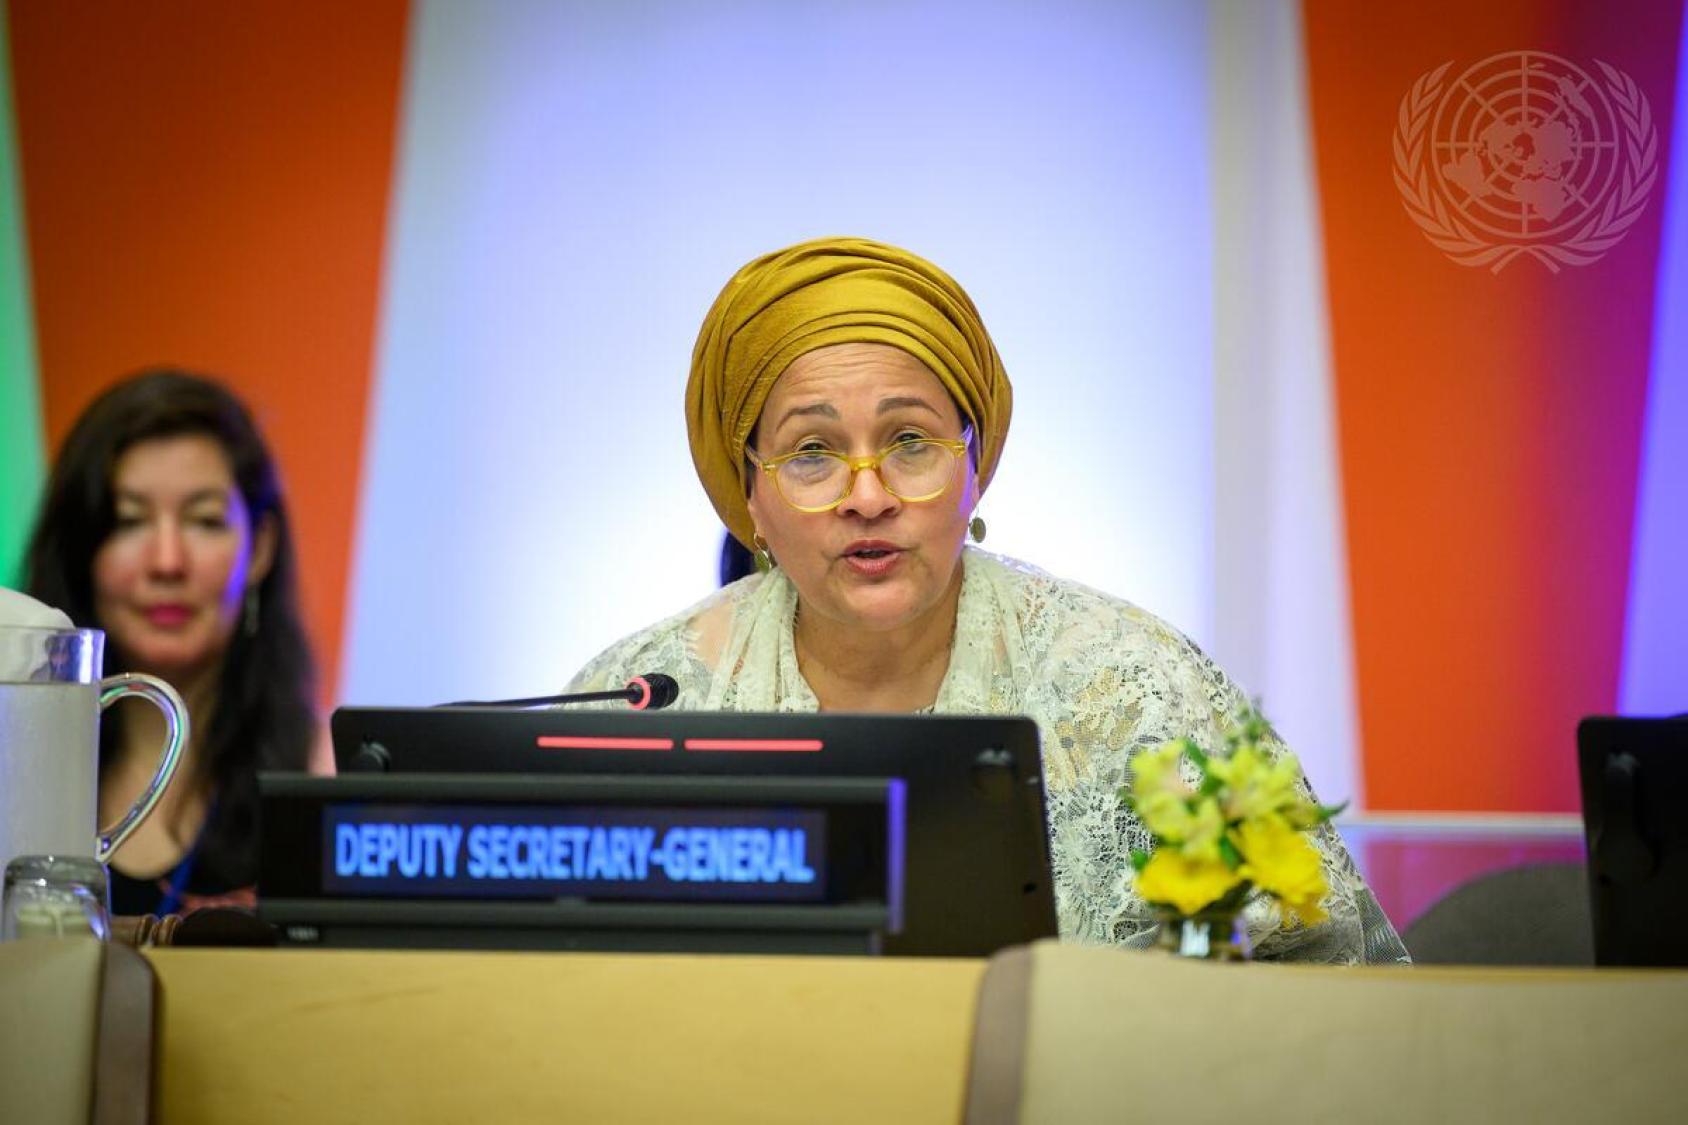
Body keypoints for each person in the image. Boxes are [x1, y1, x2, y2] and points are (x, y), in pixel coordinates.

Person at [569, 237, 1407, 963]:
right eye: (813, 450)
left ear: (976, 463)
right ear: (749, 492)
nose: (869, 495)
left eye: (909, 441)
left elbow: (1317, 975)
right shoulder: (642, 693)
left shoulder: (1136, 686)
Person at [25, 369, 319, 917]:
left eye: (205, 520)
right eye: (128, 521)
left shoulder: (322, 773)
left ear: (260, 550)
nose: (167, 562)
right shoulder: (13, 765)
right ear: (80, 550)